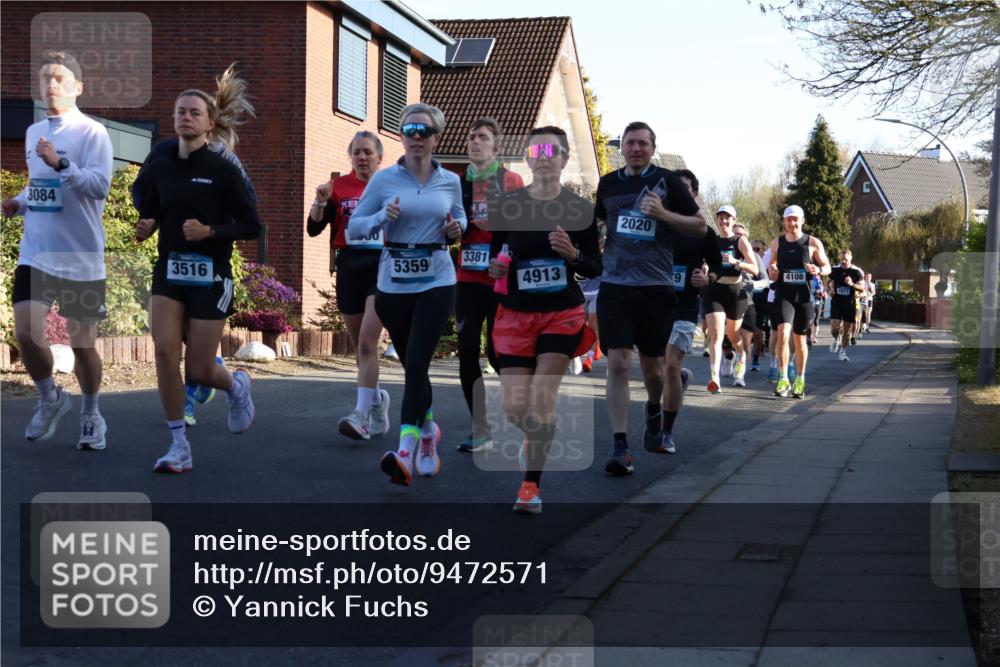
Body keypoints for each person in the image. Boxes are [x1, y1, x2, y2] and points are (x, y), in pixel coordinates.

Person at [133, 73, 262, 473]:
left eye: (194, 112)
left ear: (210, 123)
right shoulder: (161, 161)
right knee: (165, 352)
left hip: (211, 275)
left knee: (200, 370)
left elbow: (251, 225)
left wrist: (210, 232)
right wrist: (147, 223)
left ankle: (236, 386)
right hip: (169, 271)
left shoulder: (222, 167)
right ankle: (178, 445)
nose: (185, 117)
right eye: (180, 112)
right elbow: (150, 203)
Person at [348, 103, 466, 486]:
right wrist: (382, 218)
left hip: (436, 279)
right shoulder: (383, 182)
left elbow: (460, 217)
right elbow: (354, 229)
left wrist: (455, 230)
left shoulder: (450, 181)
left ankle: (405, 452)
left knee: (416, 363)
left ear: (437, 138)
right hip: (392, 283)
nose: (416, 136)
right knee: (414, 368)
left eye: (424, 130)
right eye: (409, 129)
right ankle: (430, 433)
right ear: (401, 136)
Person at [2, 51, 113, 451]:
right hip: (37, 252)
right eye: (46, 78)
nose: (51, 85)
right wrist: (19, 201)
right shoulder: (33, 134)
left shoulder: (92, 133)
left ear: (78, 87)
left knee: (83, 345)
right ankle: (50, 398)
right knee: (27, 332)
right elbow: (39, 186)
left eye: (60, 79)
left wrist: (61, 162)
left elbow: (99, 186)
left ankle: (91, 413)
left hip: (80, 256)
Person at [487, 126, 601, 513]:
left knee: (542, 396)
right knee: (514, 408)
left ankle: (530, 487)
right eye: (536, 149)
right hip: (516, 312)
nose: (543, 155)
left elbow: (593, 265)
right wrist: (497, 268)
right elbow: (497, 252)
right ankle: (535, 439)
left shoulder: (579, 210)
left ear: (565, 158)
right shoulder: (510, 204)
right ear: (529, 157)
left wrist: (572, 254)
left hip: (562, 312)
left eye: (552, 150)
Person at [594, 121, 704, 477]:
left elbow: (700, 226)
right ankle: (620, 445)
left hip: (656, 289)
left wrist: (663, 214)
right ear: (622, 148)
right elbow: (595, 224)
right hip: (616, 287)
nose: (636, 149)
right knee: (618, 362)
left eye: (642, 143)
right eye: (630, 143)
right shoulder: (608, 184)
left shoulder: (669, 182)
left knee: (653, 370)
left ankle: (654, 407)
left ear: (652, 148)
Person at [308, 131, 390, 440]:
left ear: (379, 158)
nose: (362, 157)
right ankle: (378, 399)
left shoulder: (391, 186)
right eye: (356, 152)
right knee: (360, 348)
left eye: (368, 152)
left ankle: (361, 416)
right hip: (349, 266)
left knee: (369, 343)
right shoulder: (338, 187)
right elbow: (314, 228)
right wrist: (320, 201)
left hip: (382, 266)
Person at [455, 118, 524, 452]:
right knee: (467, 352)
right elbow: (446, 225)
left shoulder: (510, 180)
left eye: (482, 137)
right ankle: (480, 427)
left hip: (500, 280)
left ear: (497, 147)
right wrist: (450, 231)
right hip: (467, 279)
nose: (474, 142)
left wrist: (504, 256)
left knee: (499, 355)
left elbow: (520, 228)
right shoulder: (457, 183)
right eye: (471, 137)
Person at [659, 169, 720, 453]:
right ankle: (680, 379)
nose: (679, 194)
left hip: (685, 305)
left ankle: (666, 433)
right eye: (674, 189)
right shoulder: (657, 225)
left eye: (684, 189)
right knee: (661, 369)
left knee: (670, 363)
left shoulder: (703, 232)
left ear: (694, 194)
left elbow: (719, 268)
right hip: (654, 302)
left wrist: (706, 279)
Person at [767, 205, 831, 399]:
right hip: (784, 295)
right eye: (789, 220)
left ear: (802, 221)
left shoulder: (812, 242)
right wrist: (773, 269)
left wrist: (818, 270)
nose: (792, 223)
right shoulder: (777, 243)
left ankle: (800, 379)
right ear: (784, 222)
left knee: (799, 339)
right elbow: (772, 264)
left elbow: (827, 266)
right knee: (783, 335)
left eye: (796, 219)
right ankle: (784, 378)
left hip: (804, 297)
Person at [704, 206, 758, 393]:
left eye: (728, 218)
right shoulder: (711, 240)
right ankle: (714, 378)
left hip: (735, 291)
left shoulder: (740, 241)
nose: (724, 221)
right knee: (716, 335)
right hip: (715, 290)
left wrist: (737, 262)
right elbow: (704, 261)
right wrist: (704, 268)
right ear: (717, 220)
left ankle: (741, 355)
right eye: (721, 218)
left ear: (734, 220)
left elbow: (755, 269)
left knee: (733, 335)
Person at [732, 222, 767, 387]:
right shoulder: (722, 251)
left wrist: (755, 285)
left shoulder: (755, 257)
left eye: (741, 235)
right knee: (726, 342)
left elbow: (765, 279)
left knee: (746, 341)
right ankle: (726, 359)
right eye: (735, 234)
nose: (738, 237)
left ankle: (740, 375)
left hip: (746, 300)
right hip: (725, 302)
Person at [827, 249, 865, 361]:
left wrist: (852, 284)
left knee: (847, 330)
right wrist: (829, 290)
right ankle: (836, 338)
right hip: (836, 302)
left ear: (851, 258)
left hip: (850, 303)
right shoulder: (835, 270)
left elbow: (862, 288)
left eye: (846, 260)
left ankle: (843, 351)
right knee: (834, 328)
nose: (844, 261)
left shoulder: (857, 272)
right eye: (842, 259)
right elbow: (827, 282)